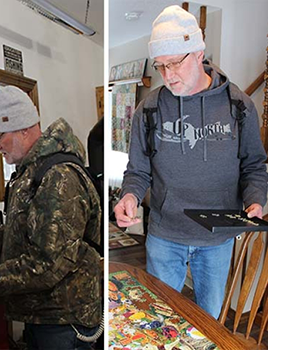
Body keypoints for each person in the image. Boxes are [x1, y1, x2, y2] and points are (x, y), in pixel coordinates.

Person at [113, 5, 267, 319]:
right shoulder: (149, 109)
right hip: (165, 235)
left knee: (207, 321)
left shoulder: (240, 106)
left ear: (198, 53)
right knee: (159, 318)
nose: (168, 75)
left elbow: (254, 166)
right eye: (160, 66)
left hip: (217, 240)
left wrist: (255, 199)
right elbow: (138, 169)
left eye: (174, 63)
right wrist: (128, 196)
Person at [0, 86, 103, 349]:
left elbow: (47, 264)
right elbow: (26, 231)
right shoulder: (29, 171)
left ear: (24, 129)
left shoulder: (58, 176)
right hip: (43, 315)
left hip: (63, 321)